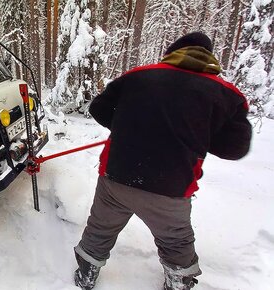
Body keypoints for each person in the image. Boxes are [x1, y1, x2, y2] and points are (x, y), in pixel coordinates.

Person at [74, 32, 252, 290]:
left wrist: (131, 129)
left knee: (99, 229)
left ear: (171, 53)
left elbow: (98, 108)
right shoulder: (226, 94)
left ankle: (85, 276)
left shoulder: (137, 75)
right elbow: (235, 148)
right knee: (176, 242)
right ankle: (178, 283)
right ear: (209, 58)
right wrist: (194, 136)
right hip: (170, 188)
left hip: (116, 177)